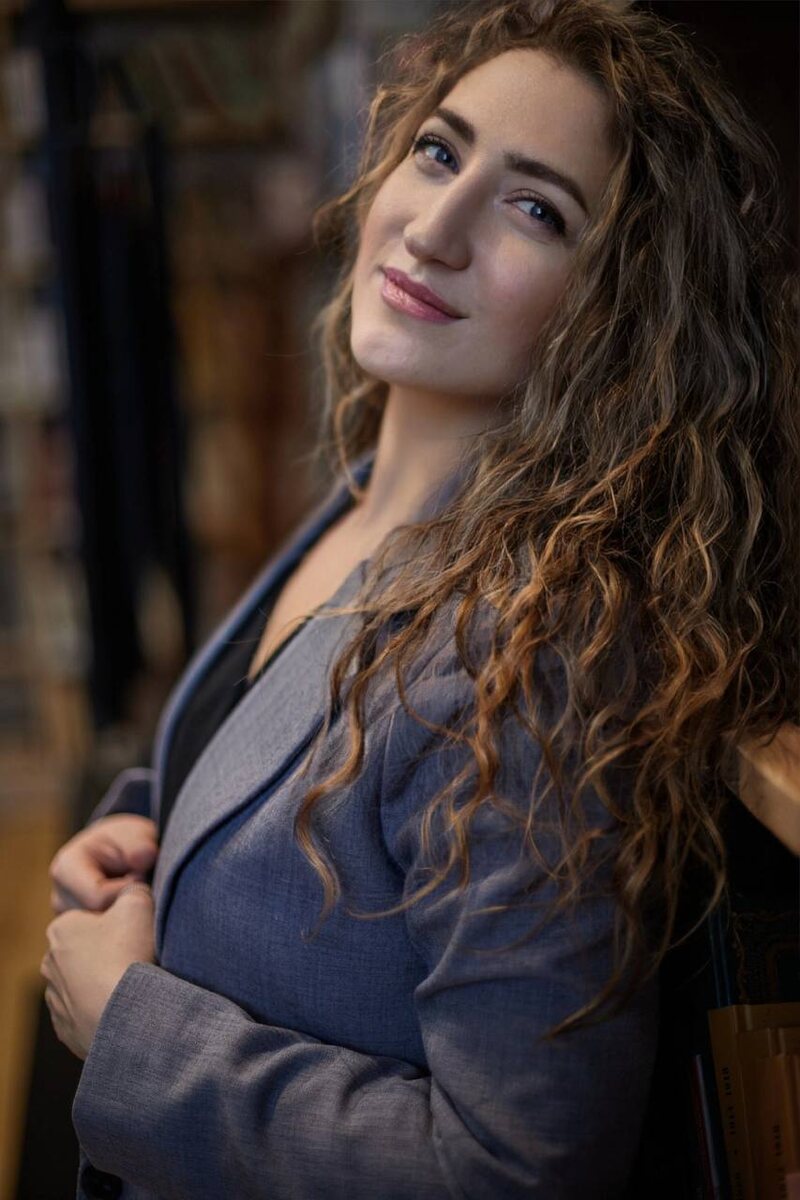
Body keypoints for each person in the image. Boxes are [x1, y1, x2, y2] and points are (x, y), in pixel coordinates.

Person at [42, 1, 798, 1197]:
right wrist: (151, 836)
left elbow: (514, 1170)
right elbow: (281, 761)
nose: (434, 229)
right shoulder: (362, 502)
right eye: (439, 152)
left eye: (535, 210)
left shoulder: (522, 660)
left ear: (614, 312)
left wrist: (132, 1031)